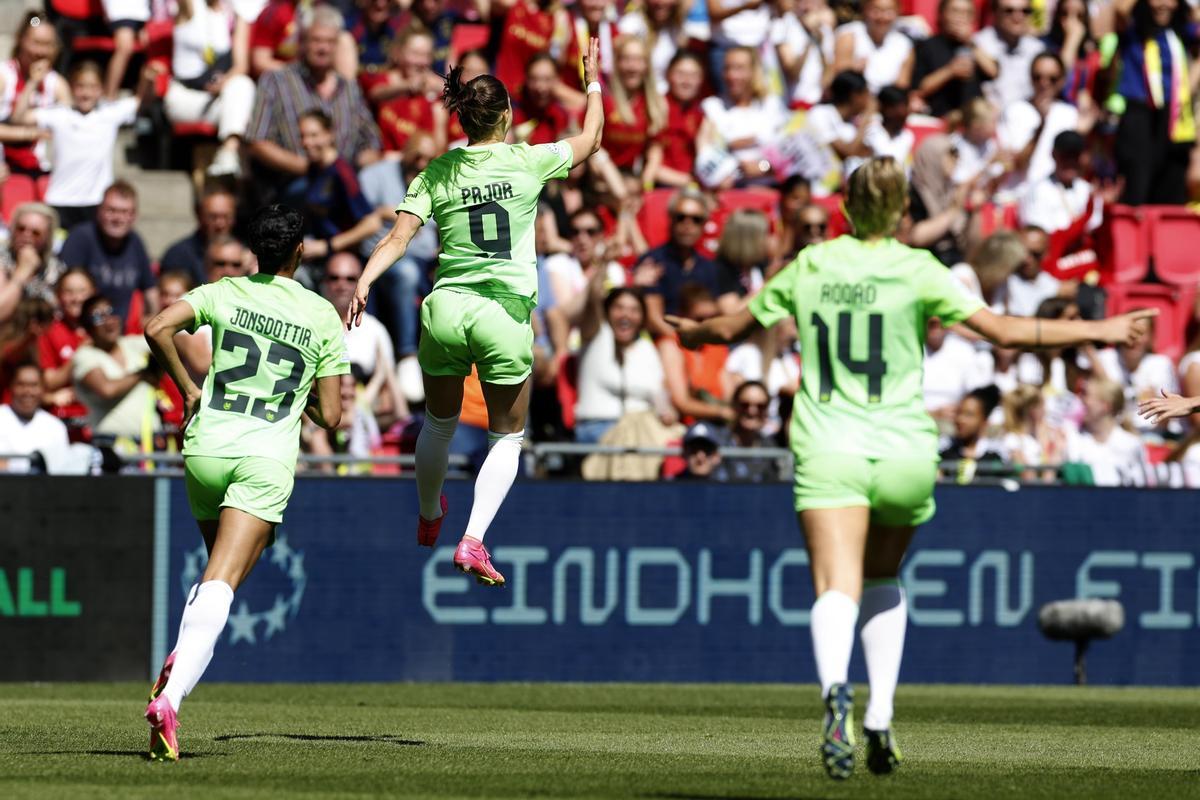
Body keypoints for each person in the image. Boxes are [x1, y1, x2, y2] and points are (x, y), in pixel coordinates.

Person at [668, 156, 1153, 780]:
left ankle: (835, 695)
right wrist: (1103, 326)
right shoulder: (918, 268)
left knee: (834, 586)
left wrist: (692, 334)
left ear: (844, 208)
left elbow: (731, 326)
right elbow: (1003, 331)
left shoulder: (812, 264)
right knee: (882, 579)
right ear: (901, 213)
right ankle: (880, 718)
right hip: (903, 449)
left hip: (830, 444)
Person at [349, 38, 607, 586]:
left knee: (438, 422)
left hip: (445, 309)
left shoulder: (438, 171)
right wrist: (593, 82)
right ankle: (472, 539)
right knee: (508, 436)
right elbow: (592, 139)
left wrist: (365, 280)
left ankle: (426, 515)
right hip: (501, 314)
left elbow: (397, 237)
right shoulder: (528, 159)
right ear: (508, 117)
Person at [141, 204, 348, 762]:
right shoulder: (321, 314)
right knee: (224, 582)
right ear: (300, 251)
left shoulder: (223, 291)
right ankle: (172, 698)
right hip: (263, 457)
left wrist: (188, 388)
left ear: (255, 249)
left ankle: (180, 659)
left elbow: (156, 327)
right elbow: (331, 418)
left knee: (217, 574)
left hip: (205, 449)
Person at [246, 7, 382, 203]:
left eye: (330, 42)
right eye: (316, 40)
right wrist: (308, 168)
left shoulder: (349, 87)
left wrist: (347, 169)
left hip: (345, 185)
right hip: (294, 185)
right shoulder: (276, 81)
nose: (323, 48)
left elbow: (372, 141)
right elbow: (257, 141)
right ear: (302, 42)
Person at [13, 60, 160, 231]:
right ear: (71, 87)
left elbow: (142, 102)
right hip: (60, 200)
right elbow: (19, 118)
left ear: (101, 89)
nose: (86, 93)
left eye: (92, 87)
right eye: (80, 86)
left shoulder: (108, 114)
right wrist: (33, 81)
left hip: (96, 202)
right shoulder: (59, 114)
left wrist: (147, 80)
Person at [1110, 0, 1196, 205]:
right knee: (1138, 186)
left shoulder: (1181, 33)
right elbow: (1119, 9)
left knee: (1171, 186)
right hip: (1139, 114)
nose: (1162, 4)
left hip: (1175, 116)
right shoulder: (1134, 31)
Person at [164, 0, 258, 178]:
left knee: (243, 85)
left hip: (217, 98)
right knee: (241, 115)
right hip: (185, 96)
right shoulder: (188, 5)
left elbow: (241, 66)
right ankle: (234, 168)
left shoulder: (236, 14)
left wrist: (222, 83)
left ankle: (228, 154)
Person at [639, 187, 739, 338]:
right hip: (666, 344)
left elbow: (725, 313)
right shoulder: (653, 261)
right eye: (681, 217)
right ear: (671, 219)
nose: (688, 224)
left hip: (704, 343)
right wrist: (684, 343)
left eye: (696, 219)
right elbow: (654, 319)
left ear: (704, 224)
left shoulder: (710, 267)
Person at [575, 279, 668, 443]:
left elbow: (658, 393)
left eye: (634, 310)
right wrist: (602, 263)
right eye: (619, 308)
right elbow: (592, 301)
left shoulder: (646, 348)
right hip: (599, 426)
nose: (626, 315)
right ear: (606, 312)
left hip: (642, 426)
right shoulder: (596, 337)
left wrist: (667, 413)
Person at [0, 13, 71, 212]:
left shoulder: (57, 84)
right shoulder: (4, 75)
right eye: (36, 43)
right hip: (7, 167)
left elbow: (70, 129)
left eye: (48, 44)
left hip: (45, 169)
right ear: (21, 40)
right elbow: (15, 122)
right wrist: (29, 134)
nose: (41, 51)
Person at [60, 181, 157, 327]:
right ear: (99, 211)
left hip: (119, 334)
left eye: (124, 212)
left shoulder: (135, 241)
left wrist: (154, 324)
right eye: (111, 210)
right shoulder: (80, 238)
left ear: (133, 216)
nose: (117, 218)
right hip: (83, 330)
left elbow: (150, 290)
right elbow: (65, 290)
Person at [296, 109, 382, 267]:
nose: (306, 143)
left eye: (314, 135)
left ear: (329, 135)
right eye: (302, 136)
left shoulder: (342, 173)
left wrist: (328, 246)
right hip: (318, 255)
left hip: (341, 260)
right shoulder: (314, 168)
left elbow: (372, 223)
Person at [70, 294, 160, 444]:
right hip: (111, 449)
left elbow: (172, 339)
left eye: (112, 312)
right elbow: (107, 389)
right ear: (88, 327)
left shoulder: (132, 344)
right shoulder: (84, 356)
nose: (109, 321)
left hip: (150, 445)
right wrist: (143, 373)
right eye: (98, 317)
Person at [700, 47, 787, 187]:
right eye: (727, 68)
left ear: (753, 71)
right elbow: (705, 153)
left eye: (739, 68)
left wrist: (763, 167)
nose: (732, 75)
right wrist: (737, 166)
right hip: (730, 190)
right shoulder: (712, 107)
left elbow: (788, 152)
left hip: (772, 187)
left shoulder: (771, 105)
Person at [913, 0, 997, 118]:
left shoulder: (979, 44)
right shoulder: (926, 46)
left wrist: (970, 43)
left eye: (966, 13)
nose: (960, 17)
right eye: (955, 11)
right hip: (939, 117)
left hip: (972, 121)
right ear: (942, 14)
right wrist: (950, 71)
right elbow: (919, 88)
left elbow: (992, 72)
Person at [1067, 377, 1152, 486]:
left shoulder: (1132, 445)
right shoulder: (1072, 439)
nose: (1080, 400)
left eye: (1086, 395)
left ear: (1105, 406)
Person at [644, 49, 709, 189]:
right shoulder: (657, 107)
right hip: (661, 187)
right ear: (668, 75)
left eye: (693, 75)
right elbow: (652, 165)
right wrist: (691, 183)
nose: (687, 81)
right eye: (680, 74)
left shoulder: (701, 114)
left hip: (693, 186)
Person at [161, 186, 240, 286]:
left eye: (226, 216)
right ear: (199, 214)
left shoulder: (245, 254)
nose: (220, 223)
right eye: (213, 217)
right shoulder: (178, 256)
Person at [973, 0, 1045, 109]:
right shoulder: (979, 44)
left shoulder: (1037, 49)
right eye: (1009, 11)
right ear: (995, 13)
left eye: (1025, 11)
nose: (1018, 17)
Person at [832, 0, 913, 93]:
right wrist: (854, 72)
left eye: (889, 11)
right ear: (865, 10)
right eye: (876, 11)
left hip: (887, 103)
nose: (883, 17)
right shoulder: (848, 35)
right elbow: (839, 74)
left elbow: (902, 85)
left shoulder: (904, 44)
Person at [0, 362, 69, 473]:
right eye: (21, 384)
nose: (28, 391)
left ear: (43, 389)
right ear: (11, 386)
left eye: (34, 385)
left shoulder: (55, 427)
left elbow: (61, 471)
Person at [0, 203, 64, 317]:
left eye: (36, 233)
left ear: (47, 238)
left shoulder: (55, 270)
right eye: (21, 229)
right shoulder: (2, 259)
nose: (26, 235)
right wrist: (23, 271)